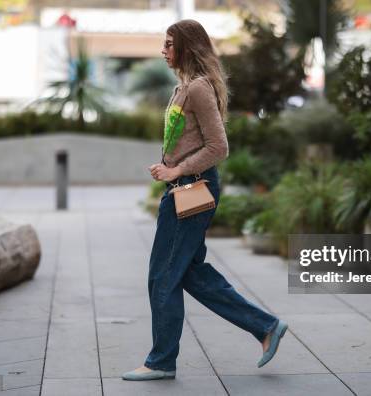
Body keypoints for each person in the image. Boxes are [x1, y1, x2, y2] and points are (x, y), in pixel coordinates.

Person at [122, 19, 288, 382]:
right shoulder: (183, 87)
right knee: (188, 273)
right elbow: (190, 139)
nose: (163, 51)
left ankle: (162, 360)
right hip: (183, 186)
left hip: (192, 190)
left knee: (162, 276)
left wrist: (176, 169)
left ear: (186, 47)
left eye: (169, 45)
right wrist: (167, 165)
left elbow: (219, 146)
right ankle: (266, 327)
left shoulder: (198, 88)